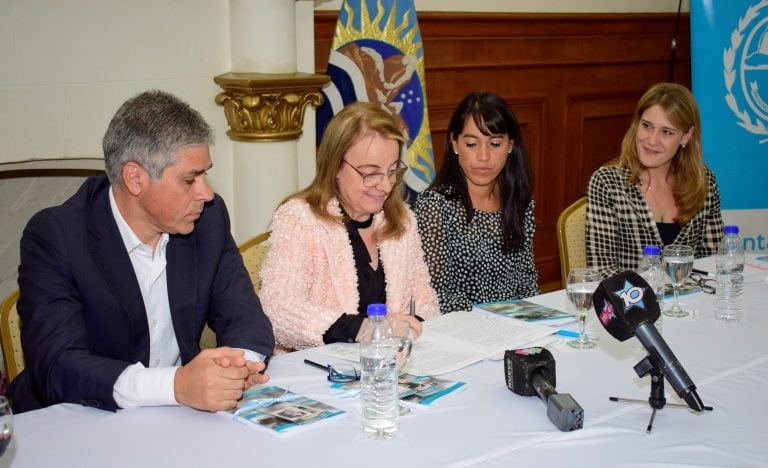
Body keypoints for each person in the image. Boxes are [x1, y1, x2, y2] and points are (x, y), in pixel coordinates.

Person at [9, 90, 275, 413]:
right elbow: (57, 364)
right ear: (135, 178)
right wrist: (176, 385)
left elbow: (245, 318)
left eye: (205, 174)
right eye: (190, 179)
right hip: (78, 421)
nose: (206, 193)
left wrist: (237, 369)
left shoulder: (208, 219)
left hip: (178, 421)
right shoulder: (57, 237)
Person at [259, 102, 439, 351]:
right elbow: (278, 308)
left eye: (392, 171)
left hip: (392, 366)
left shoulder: (402, 219)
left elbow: (425, 302)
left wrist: (412, 327)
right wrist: (366, 329)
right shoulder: (300, 218)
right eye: (370, 173)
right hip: (322, 372)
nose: (386, 186)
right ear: (335, 167)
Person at [413, 91, 539, 313]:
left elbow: (527, 281)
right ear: (455, 144)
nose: (483, 156)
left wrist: (534, 318)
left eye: (495, 143)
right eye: (471, 144)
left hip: (516, 326)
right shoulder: (435, 205)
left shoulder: (520, 202)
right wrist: (491, 317)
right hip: (462, 330)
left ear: (510, 145)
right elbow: (432, 293)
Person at [586, 82, 724, 278]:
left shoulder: (703, 181)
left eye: (666, 132)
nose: (652, 140)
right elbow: (601, 271)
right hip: (632, 304)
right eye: (647, 126)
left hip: (689, 303)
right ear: (637, 124)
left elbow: (714, 261)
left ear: (686, 136)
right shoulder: (608, 182)